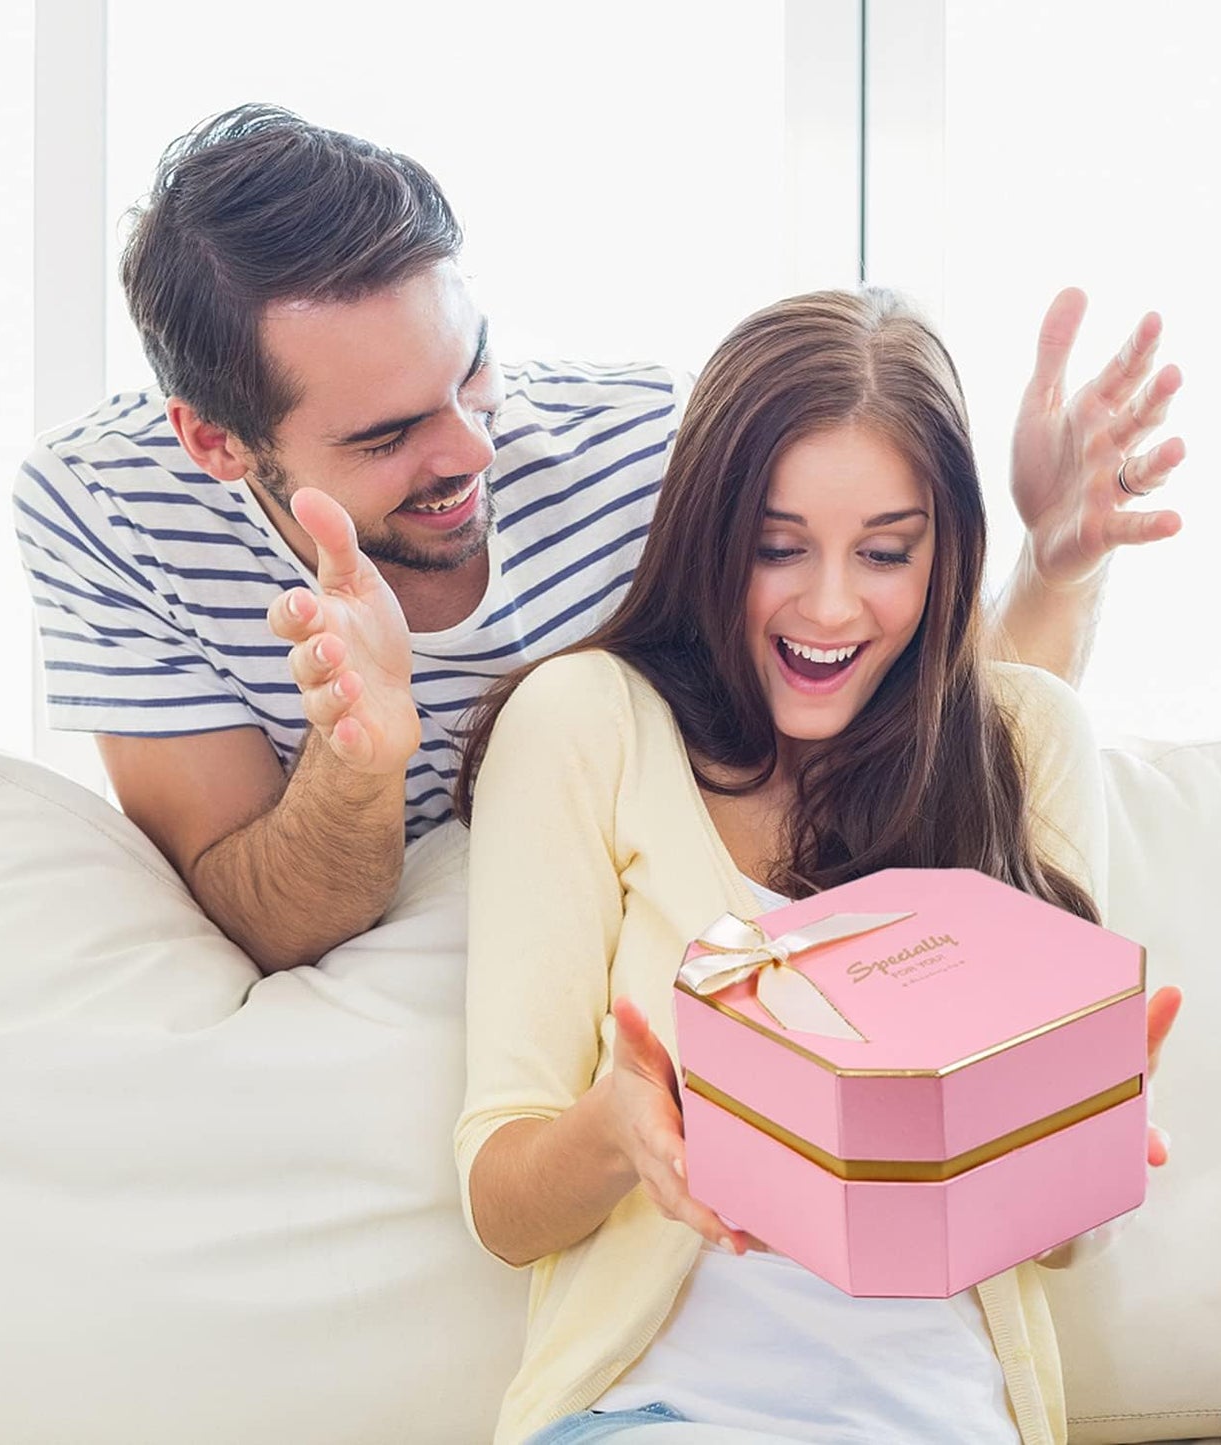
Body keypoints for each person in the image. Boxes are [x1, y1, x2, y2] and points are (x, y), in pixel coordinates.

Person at [13, 105, 1186, 972]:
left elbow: (936, 737)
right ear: (216, 442)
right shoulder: (105, 509)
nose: (472, 447)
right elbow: (260, 919)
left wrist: (1054, 563)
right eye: (387, 435)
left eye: (472, 369)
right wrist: (360, 751)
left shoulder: (642, 443)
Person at [451, 289, 1182, 1445]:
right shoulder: (584, 720)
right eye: (776, 547)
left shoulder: (1025, 739)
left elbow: (1057, 1246)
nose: (829, 604)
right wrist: (618, 1129)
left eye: (883, 552)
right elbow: (501, 1200)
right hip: (660, 1417)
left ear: (942, 553)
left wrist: (1078, 1149)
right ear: (708, 533)